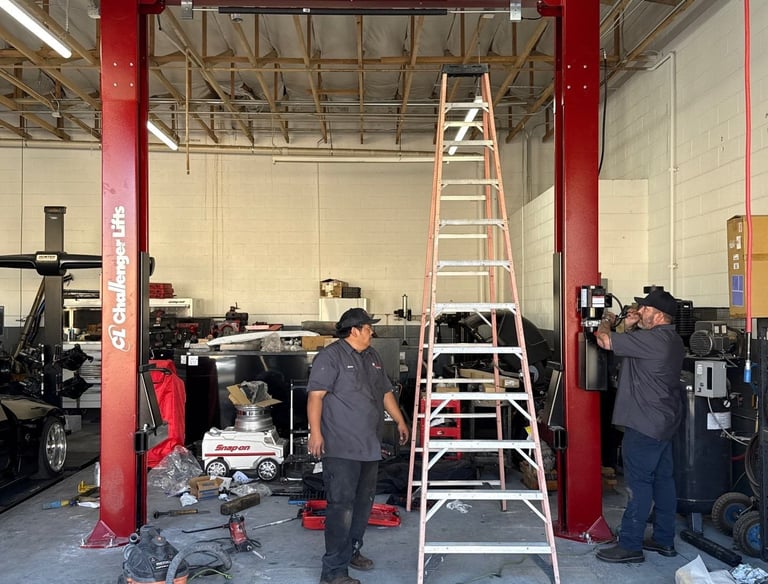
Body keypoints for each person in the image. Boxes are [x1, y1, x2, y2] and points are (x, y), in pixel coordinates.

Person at [307, 308, 410, 584]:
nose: (371, 331)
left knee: (363, 503)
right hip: (341, 445)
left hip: (369, 445)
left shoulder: (372, 356)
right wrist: (315, 433)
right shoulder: (330, 357)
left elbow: (385, 392)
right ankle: (333, 572)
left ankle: (353, 550)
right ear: (354, 330)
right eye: (367, 327)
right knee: (341, 506)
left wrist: (400, 420)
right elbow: (316, 397)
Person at [593, 288, 685, 564]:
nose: (639, 311)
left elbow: (604, 341)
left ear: (659, 315)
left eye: (645, 309)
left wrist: (606, 321)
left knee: (639, 483)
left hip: (644, 423)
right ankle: (663, 539)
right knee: (663, 481)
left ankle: (630, 545)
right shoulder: (671, 339)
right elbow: (634, 349)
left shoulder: (654, 339)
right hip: (664, 422)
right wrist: (632, 326)